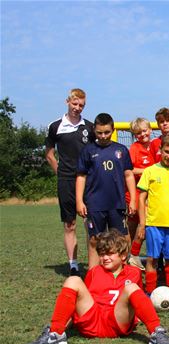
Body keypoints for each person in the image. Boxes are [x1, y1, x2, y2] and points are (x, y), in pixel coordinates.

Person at [25, 230, 169, 344]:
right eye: (102, 254)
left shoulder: (134, 273)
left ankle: (157, 333)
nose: (105, 258)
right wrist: (65, 324)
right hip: (93, 321)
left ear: (123, 255)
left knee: (131, 288)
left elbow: (136, 302)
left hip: (117, 321)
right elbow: (79, 301)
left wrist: (140, 317)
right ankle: (55, 334)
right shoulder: (94, 272)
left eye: (110, 253)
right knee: (73, 280)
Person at [76, 113, 136, 269]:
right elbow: (81, 176)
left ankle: (122, 272)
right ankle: (93, 274)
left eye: (107, 132)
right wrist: (79, 201)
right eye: (99, 132)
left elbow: (129, 175)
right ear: (94, 131)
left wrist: (133, 200)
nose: (103, 136)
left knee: (121, 239)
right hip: (94, 203)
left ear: (113, 130)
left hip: (117, 203)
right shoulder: (88, 151)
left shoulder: (121, 150)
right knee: (95, 239)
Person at [45, 88, 94, 276]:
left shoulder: (89, 127)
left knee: (91, 223)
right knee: (69, 224)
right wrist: (61, 173)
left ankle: (93, 266)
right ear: (67, 101)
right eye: (75, 104)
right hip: (66, 181)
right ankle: (73, 266)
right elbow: (49, 155)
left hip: (88, 181)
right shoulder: (55, 126)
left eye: (81, 105)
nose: (77, 108)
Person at [137, 133, 169, 295]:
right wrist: (142, 224)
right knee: (152, 259)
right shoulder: (149, 171)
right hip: (153, 224)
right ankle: (150, 293)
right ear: (161, 150)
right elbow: (141, 199)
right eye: (167, 151)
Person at [127, 117, 155, 270]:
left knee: (144, 224)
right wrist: (147, 171)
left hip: (154, 192)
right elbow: (129, 169)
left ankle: (133, 255)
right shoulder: (134, 148)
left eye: (145, 131)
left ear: (150, 129)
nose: (143, 134)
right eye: (138, 133)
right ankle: (132, 255)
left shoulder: (155, 145)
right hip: (138, 191)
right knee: (137, 225)